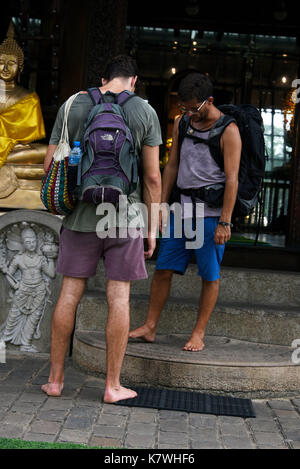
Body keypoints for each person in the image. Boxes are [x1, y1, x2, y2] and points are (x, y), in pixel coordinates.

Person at [41, 55, 162, 402]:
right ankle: (112, 386)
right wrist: (152, 228)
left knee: (69, 294)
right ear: (134, 80)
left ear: (103, 77)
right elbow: (152, 176)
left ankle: (55, 381)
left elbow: (50, 163)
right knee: (119, 296)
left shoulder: (73, 105)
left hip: (80, 216)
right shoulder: (145, 111)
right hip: (124, 218)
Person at [129, 72, 241, 352]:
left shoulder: (229, 130)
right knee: (163, 268)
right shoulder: (182, 123)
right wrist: (162, 207)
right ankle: (150, 326)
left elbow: (232, 178)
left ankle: (198, 333)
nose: (189, 113)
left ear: (209, 101)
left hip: (211, 213)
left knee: (209, 275)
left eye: (194, 108)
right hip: (181, 210)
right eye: (185, 108)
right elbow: (172, 166)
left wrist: (225, 222)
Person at [0, 21, 47, 207]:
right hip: (9, 151)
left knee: (44, 152)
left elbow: (28, 140)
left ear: (20, 68)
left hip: (14, 151)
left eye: (10, 64)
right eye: (1, 62)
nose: (5, 68)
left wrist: (16, 145)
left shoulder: (28, 97)